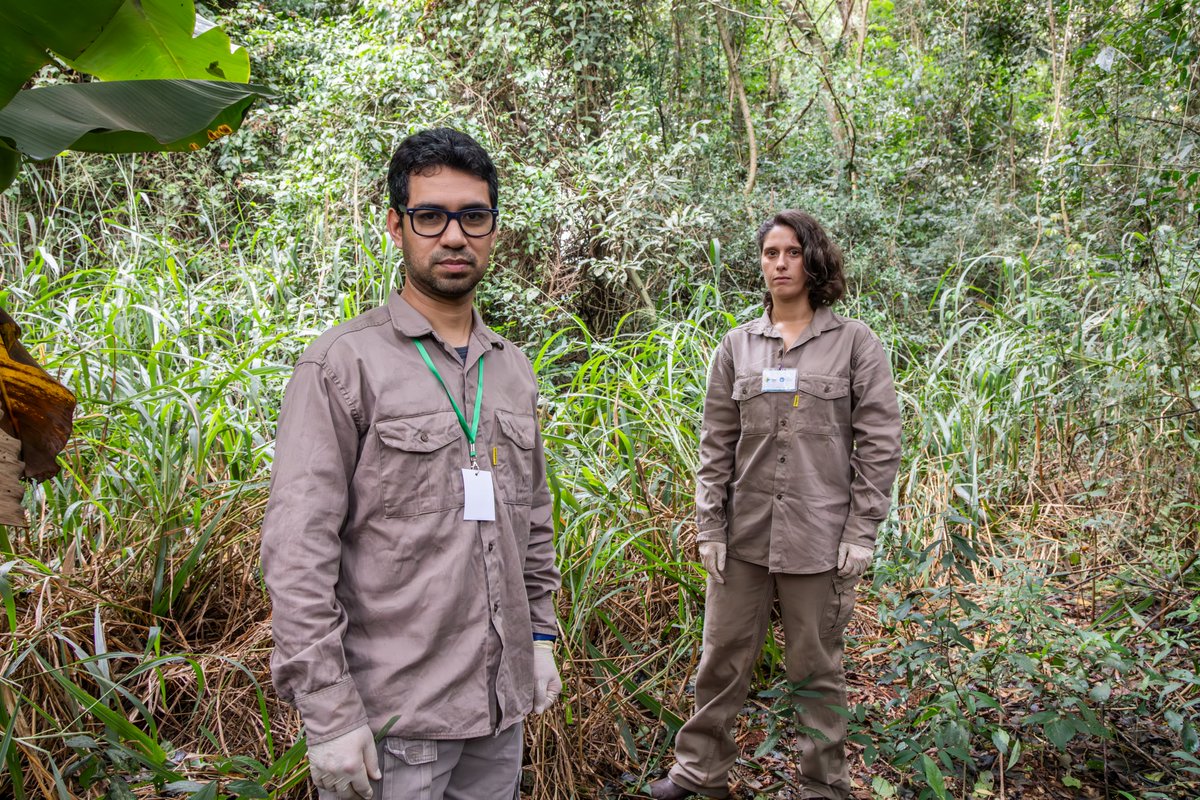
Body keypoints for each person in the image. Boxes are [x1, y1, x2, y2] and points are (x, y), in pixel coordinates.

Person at [261, 127, 562, 800]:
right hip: (393, 725)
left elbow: (532, 519)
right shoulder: (343, 365)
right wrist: (329, 716)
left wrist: (540, 636)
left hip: (498, 711)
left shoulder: (510, 369)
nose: (454, 236)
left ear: (494, 228)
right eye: (431, 216)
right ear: (397, 226)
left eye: (473, 216)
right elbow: (297, 550)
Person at [649, 210, 902, 800]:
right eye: (770, 253)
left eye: (791, 252)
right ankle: (699, 772)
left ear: (813, 261)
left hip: (819, 537)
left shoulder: (854, 343)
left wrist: (861, 531)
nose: (780, 264)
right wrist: (708, 524)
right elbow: (716, 443)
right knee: (721, 658)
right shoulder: (737, 346)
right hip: (743, 537)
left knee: (816, 668)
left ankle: (822, 785)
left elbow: (880, 443)